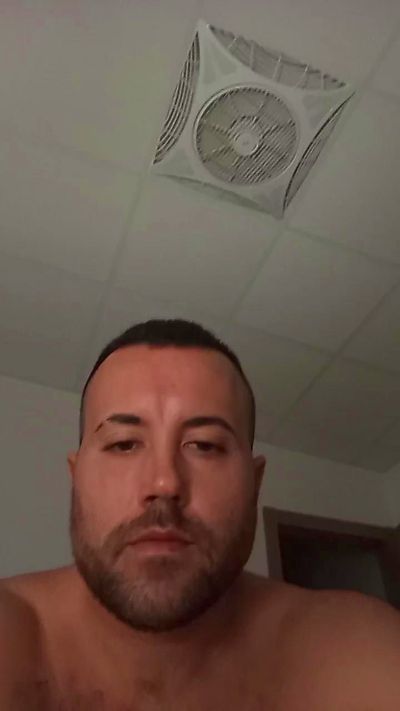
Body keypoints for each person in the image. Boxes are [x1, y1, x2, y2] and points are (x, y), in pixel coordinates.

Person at [1, 319, 400, 711]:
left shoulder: (352, 650)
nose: (164, 482)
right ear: (77, 479)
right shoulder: (15, 635)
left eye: (205, 445)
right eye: (123, 444)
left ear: (255, 483)